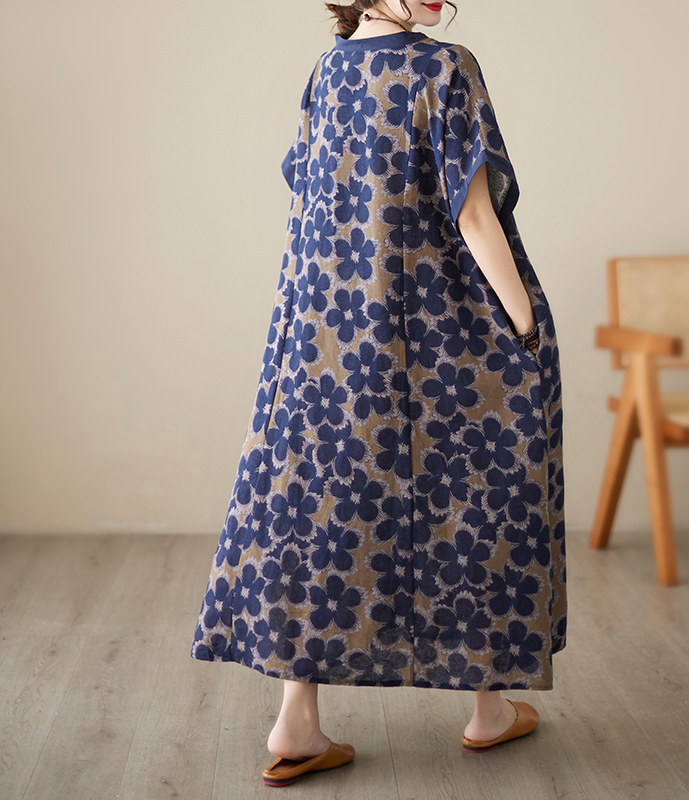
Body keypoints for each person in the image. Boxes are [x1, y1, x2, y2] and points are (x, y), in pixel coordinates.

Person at [189, 0, 566, 787]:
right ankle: (488, 709)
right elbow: (473, 213)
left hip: (328, 325)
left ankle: (297, 721)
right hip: (440, 326)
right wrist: (524, 324)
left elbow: (309, 203)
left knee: (318, 499)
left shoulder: (327, 72)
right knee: (476, 491)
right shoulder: (444, 67)